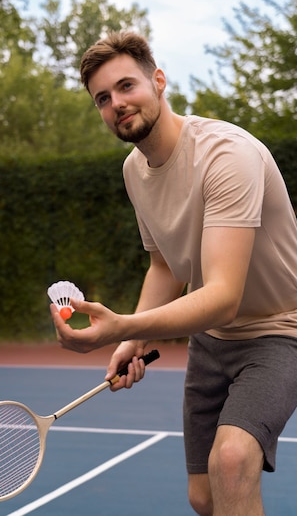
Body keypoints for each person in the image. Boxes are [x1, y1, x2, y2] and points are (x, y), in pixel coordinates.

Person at [50, 31, 297, 516]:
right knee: (203, 497)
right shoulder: (132, 170)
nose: (117, 104)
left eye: (126, 86)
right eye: (103, 98)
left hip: (280, 330)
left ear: (158, 81)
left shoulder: (227, 156)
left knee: (231, 461)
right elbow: (164, 265)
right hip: (211, 341)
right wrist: (132, 342)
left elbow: (224, 294)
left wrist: (123, 325)